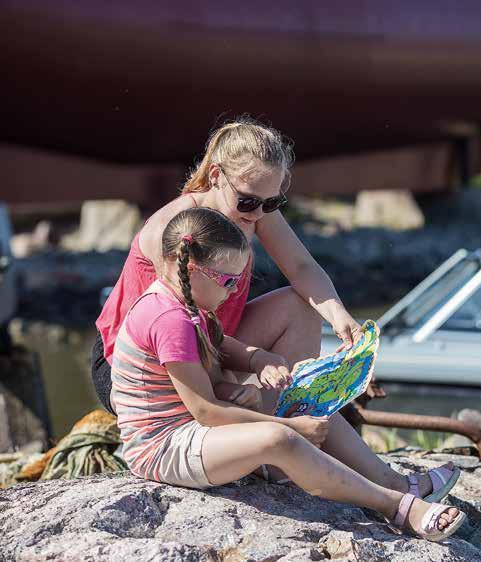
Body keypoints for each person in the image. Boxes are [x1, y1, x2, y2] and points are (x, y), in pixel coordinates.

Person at [92, 117, 458, 502]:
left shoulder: (255, 210)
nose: (257, 213)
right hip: (143, 369)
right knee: (271, 409)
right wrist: (229, 384)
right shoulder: (176, 232)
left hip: (214, 343)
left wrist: (340, 319)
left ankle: (291, 439)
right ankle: (292, 442)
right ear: (216, 176)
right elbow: (168, 334)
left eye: (272, 203)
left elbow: (300, 268)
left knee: (300, 307)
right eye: (248, 201)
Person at [110, 207, 466, 540]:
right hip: (162, 447)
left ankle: (393, 482)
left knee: (304, 404)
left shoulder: (187, 301)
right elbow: (206, 411)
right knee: (280, 439)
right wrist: (291, 429)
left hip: (192, 429)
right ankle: (398, 507)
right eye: (227, 280)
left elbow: (219, 343)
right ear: (190, 269)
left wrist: (257, 358)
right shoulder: (168, 318)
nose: (234, 290)